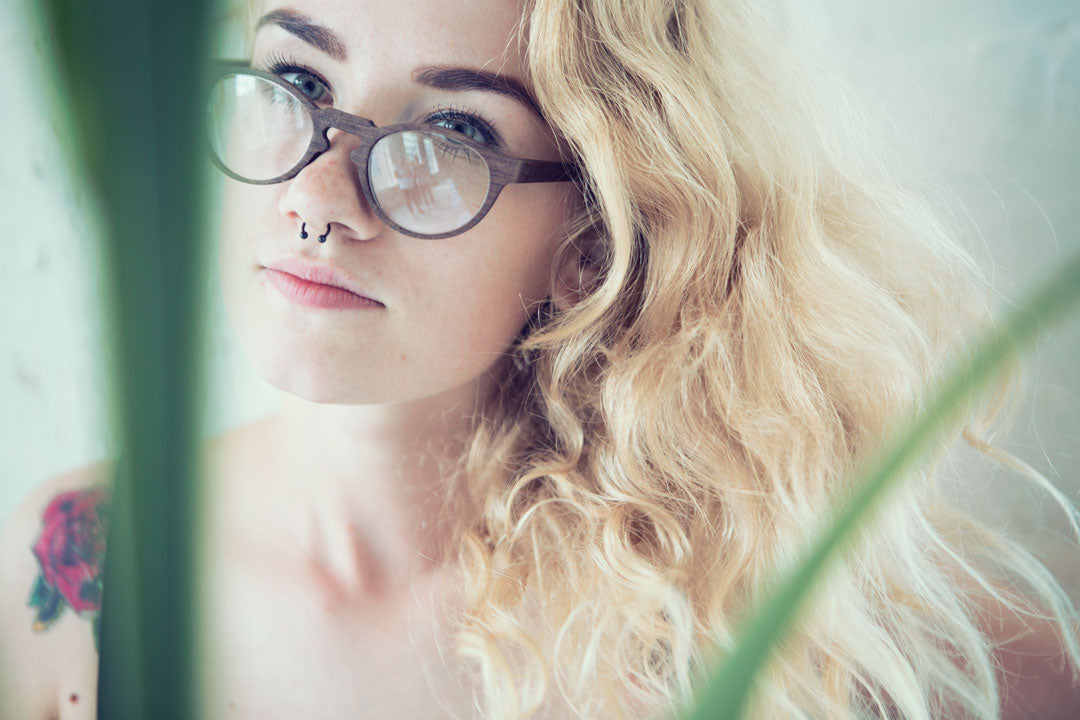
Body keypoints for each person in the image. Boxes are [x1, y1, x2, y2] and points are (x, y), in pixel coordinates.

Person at [2, 0, 1079, 718]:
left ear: (589, 242)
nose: (318, 201)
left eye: (455, 135)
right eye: (297, 78)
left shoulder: (713, 601)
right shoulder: (66, 573)